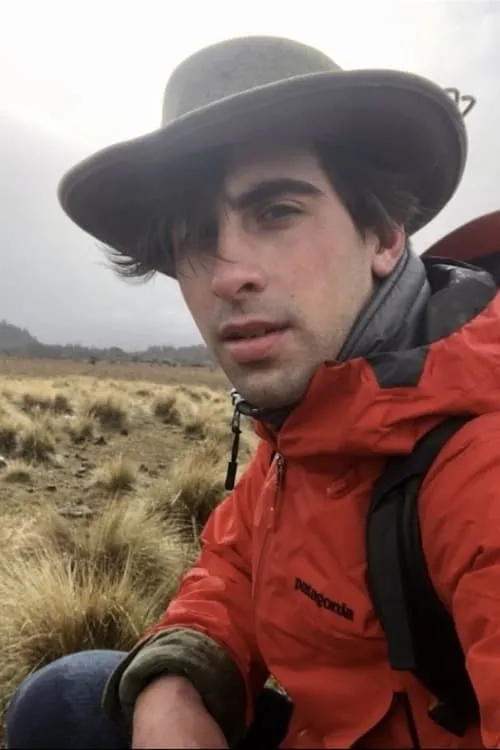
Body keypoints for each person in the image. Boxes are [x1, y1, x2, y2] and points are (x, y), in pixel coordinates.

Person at [6, 34, 500, 750]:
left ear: (385, 234)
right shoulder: (306, 420)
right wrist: (179, 678)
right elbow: (235, 566)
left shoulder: (477, 469)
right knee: (65, 698)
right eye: (194, 235)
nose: (224, 274)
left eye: (275, 213)